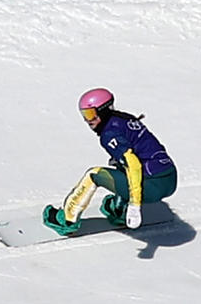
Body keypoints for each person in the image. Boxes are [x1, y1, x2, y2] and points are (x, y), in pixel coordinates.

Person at [58, 86, 176, 233]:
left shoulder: (109, 134)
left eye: (91, 114)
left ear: (103, 110)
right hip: (170, 178)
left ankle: (67, 219)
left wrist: (135, 205)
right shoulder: (124, 119)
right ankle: (119, 209)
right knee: (119, 163)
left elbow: (133, 165)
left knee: (94, 175)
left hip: (152, 185)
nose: (88, 121)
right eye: (85, 115)